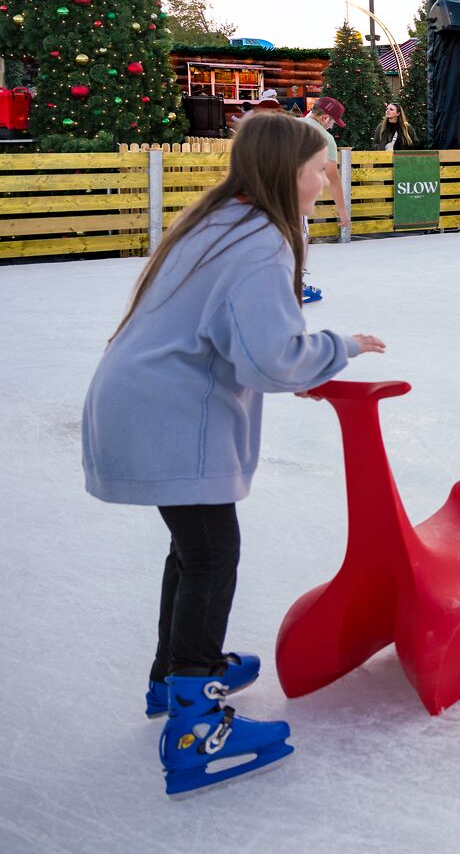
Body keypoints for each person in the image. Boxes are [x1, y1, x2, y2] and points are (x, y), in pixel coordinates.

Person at [81, 111, 385, 796]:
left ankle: (174, 675)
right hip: (168, 414)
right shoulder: (259, 242)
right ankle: (194, 724)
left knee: (194, 548)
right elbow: (271, 358)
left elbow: (241, 342)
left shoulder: (222, 220)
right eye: (319, 170)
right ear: (288, 172)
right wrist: (339, 347)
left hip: (142, 399)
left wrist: (295, 362)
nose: (324, 182)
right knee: (213, 554)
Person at [298, 97, 347, 305]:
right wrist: (342, 212)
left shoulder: (288, 125)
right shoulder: (324, 138)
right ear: (325, 117)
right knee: (299, 236)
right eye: (333, 121)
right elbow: (332, 178)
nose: (332, 126)